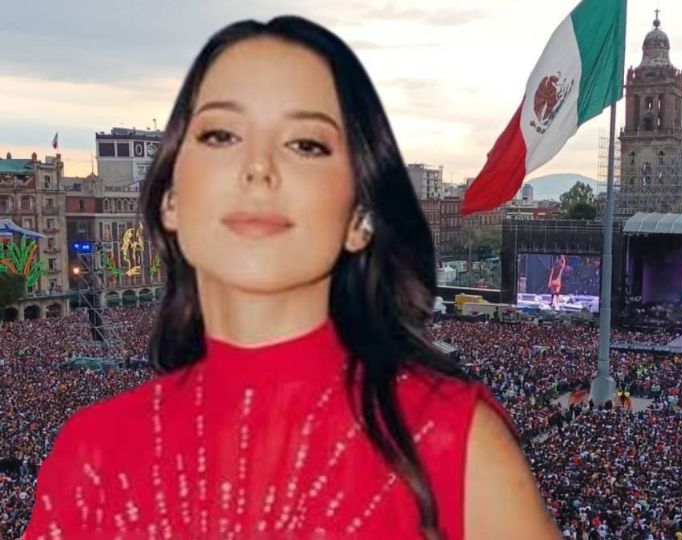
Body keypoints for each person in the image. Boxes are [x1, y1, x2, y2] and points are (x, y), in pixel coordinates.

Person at [21, 16, 560, 540]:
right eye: (220, 134)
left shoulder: (452, 444)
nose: (259, 167)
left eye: (306, 144)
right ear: (169, 199)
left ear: (357, 215)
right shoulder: (91, 456)